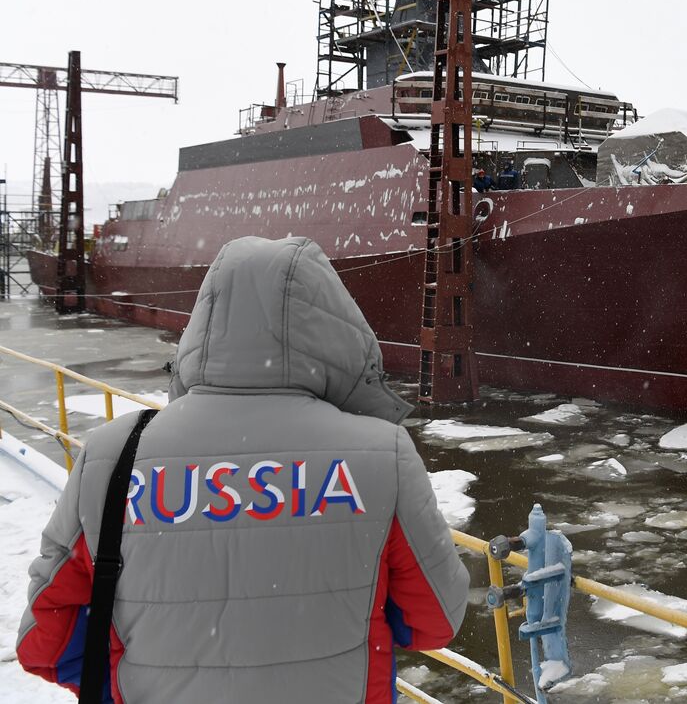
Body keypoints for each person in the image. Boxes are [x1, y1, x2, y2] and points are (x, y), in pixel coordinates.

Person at [17, 236, 470, 703]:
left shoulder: (115, 456)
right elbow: (434, 619)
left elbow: (43, 640)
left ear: (205, 323)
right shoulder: (382, 456)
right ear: (336, 328)